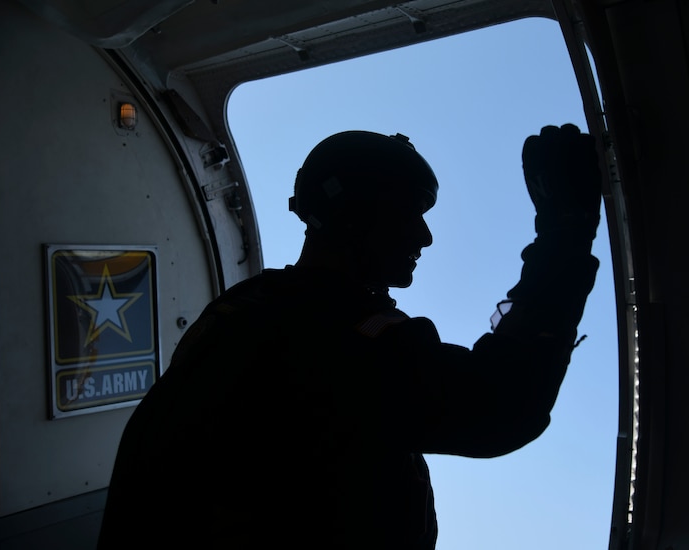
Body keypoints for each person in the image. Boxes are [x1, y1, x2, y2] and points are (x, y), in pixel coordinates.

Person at [97, 124, 602, 549]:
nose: (425, 236)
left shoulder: (251, 308)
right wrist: (565, 234)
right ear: (357, 216)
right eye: (411, 214)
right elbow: (500, 407)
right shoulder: (326, 334)